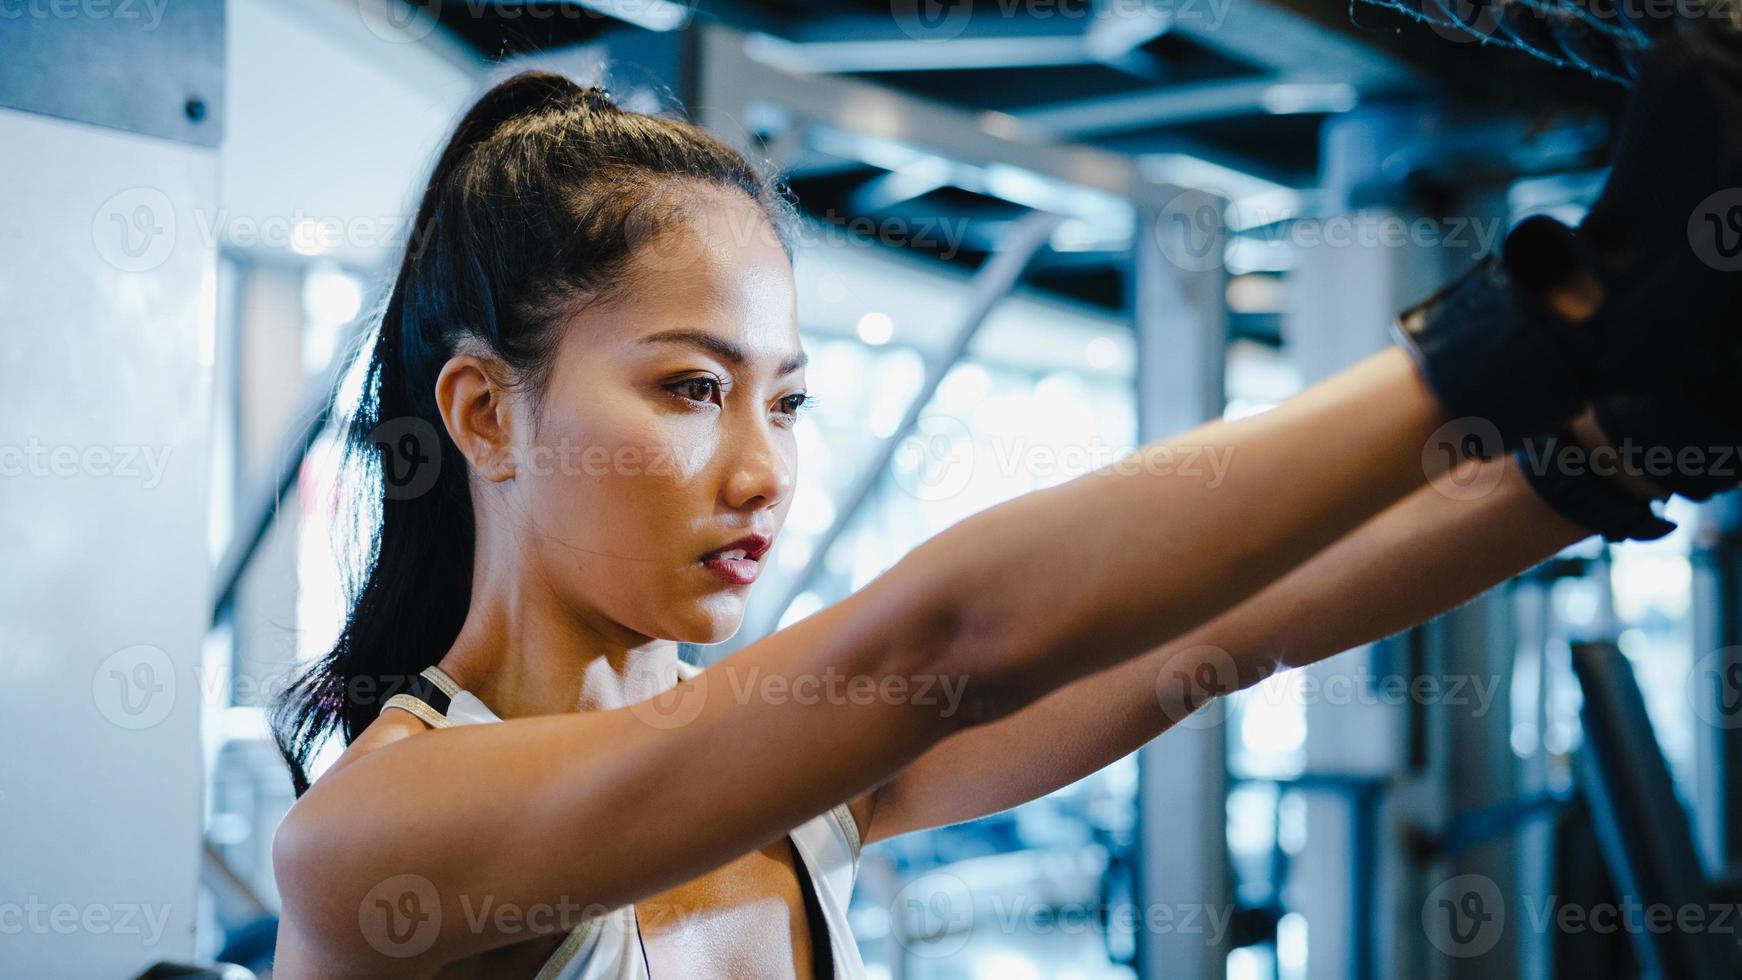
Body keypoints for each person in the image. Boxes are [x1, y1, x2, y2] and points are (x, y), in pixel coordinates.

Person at [268, 20, 1742, 979]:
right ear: (481, 412)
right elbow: (944, 644)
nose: (762, 468)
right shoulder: (369, 843)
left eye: (784, 400)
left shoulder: (793, 788)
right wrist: (1559, 312)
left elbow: (1217, 632)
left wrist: (1608, 457)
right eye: (689, 389)